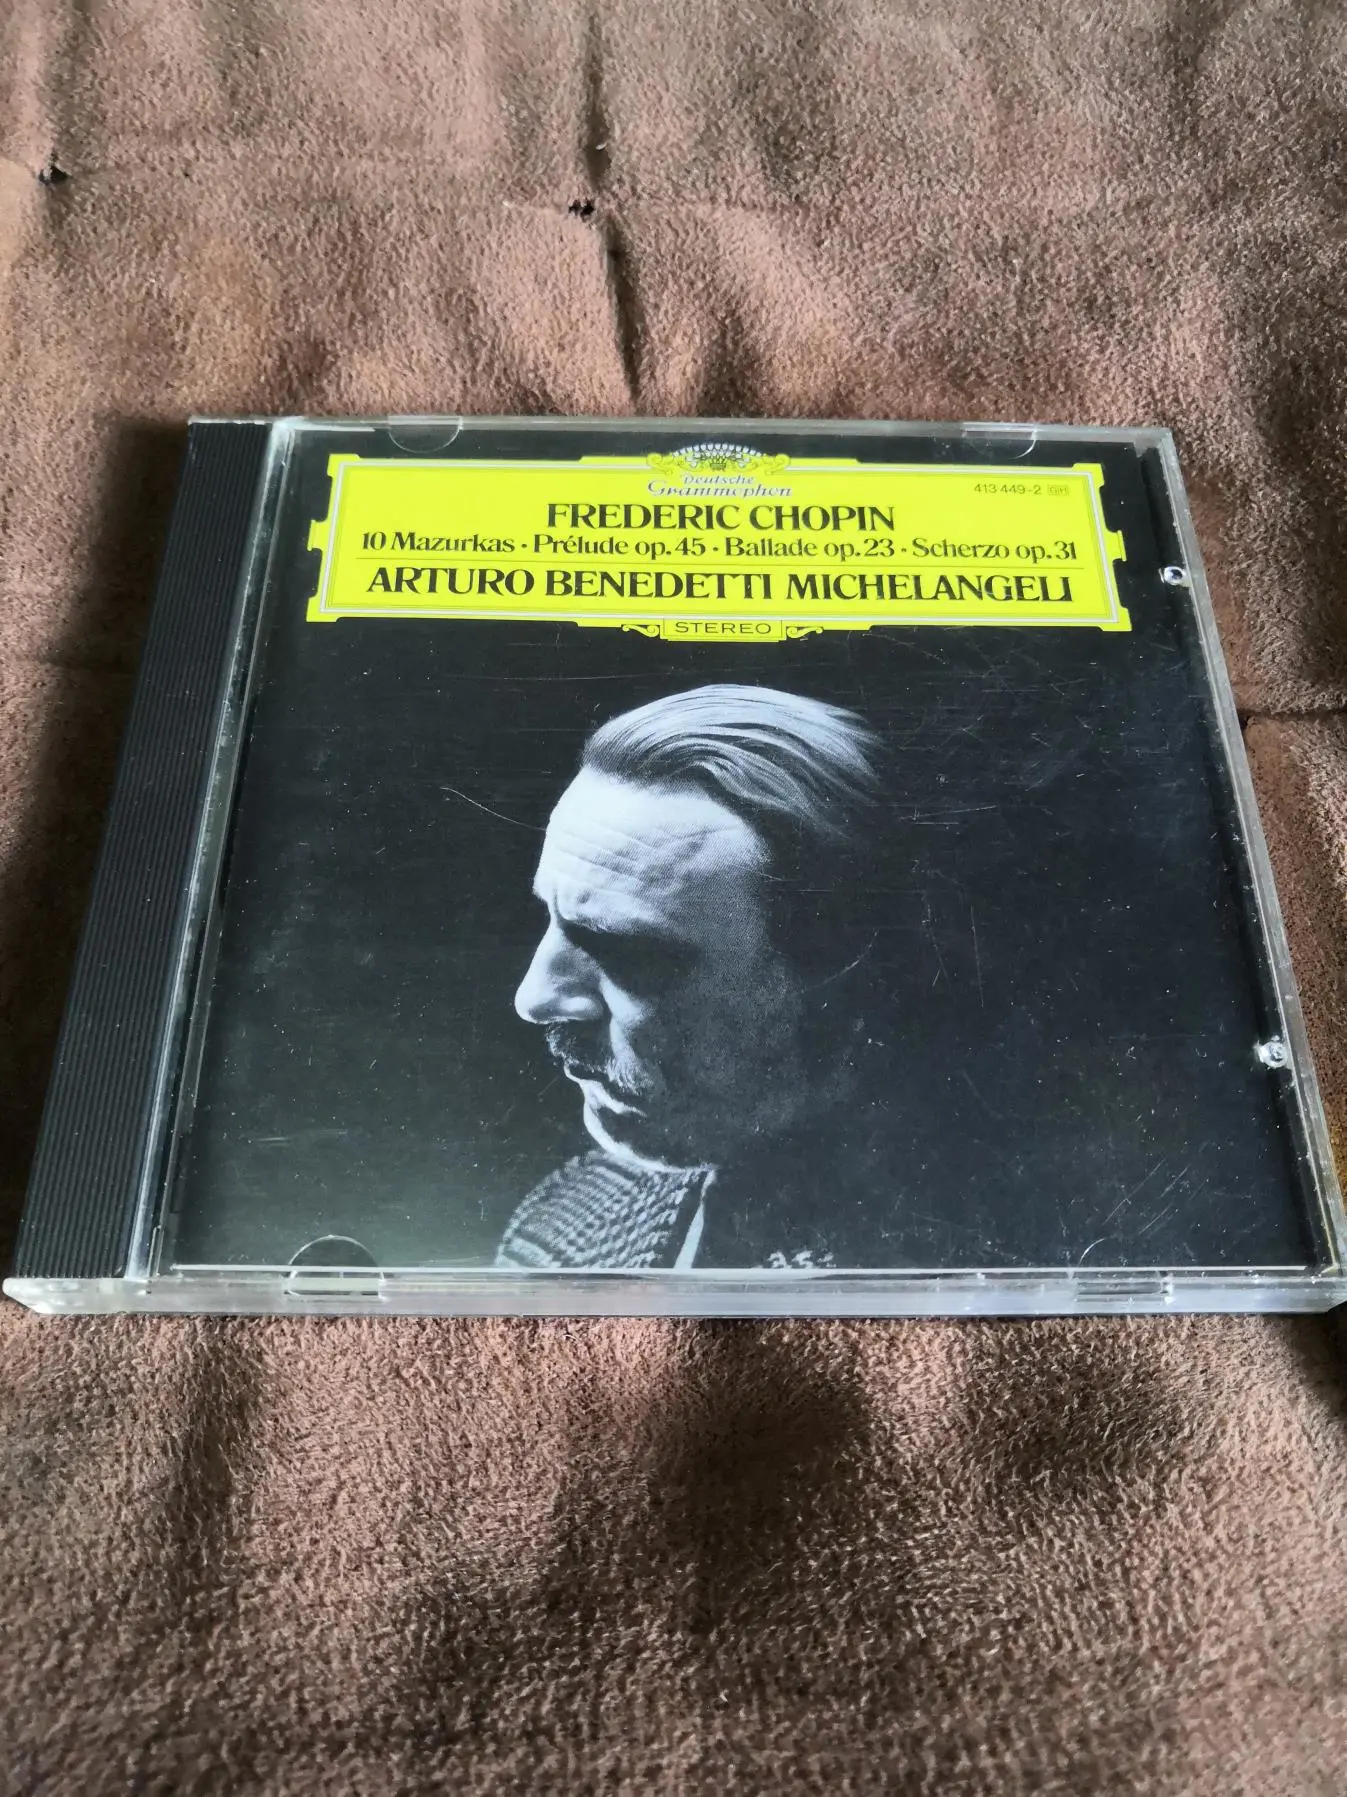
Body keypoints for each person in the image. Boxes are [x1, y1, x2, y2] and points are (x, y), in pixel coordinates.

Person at [495, 682, 897, 1271]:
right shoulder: (562, 1228)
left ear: (838, 981)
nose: (533, 999)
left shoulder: (995, 1263)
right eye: (551, 920)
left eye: (630, 954)